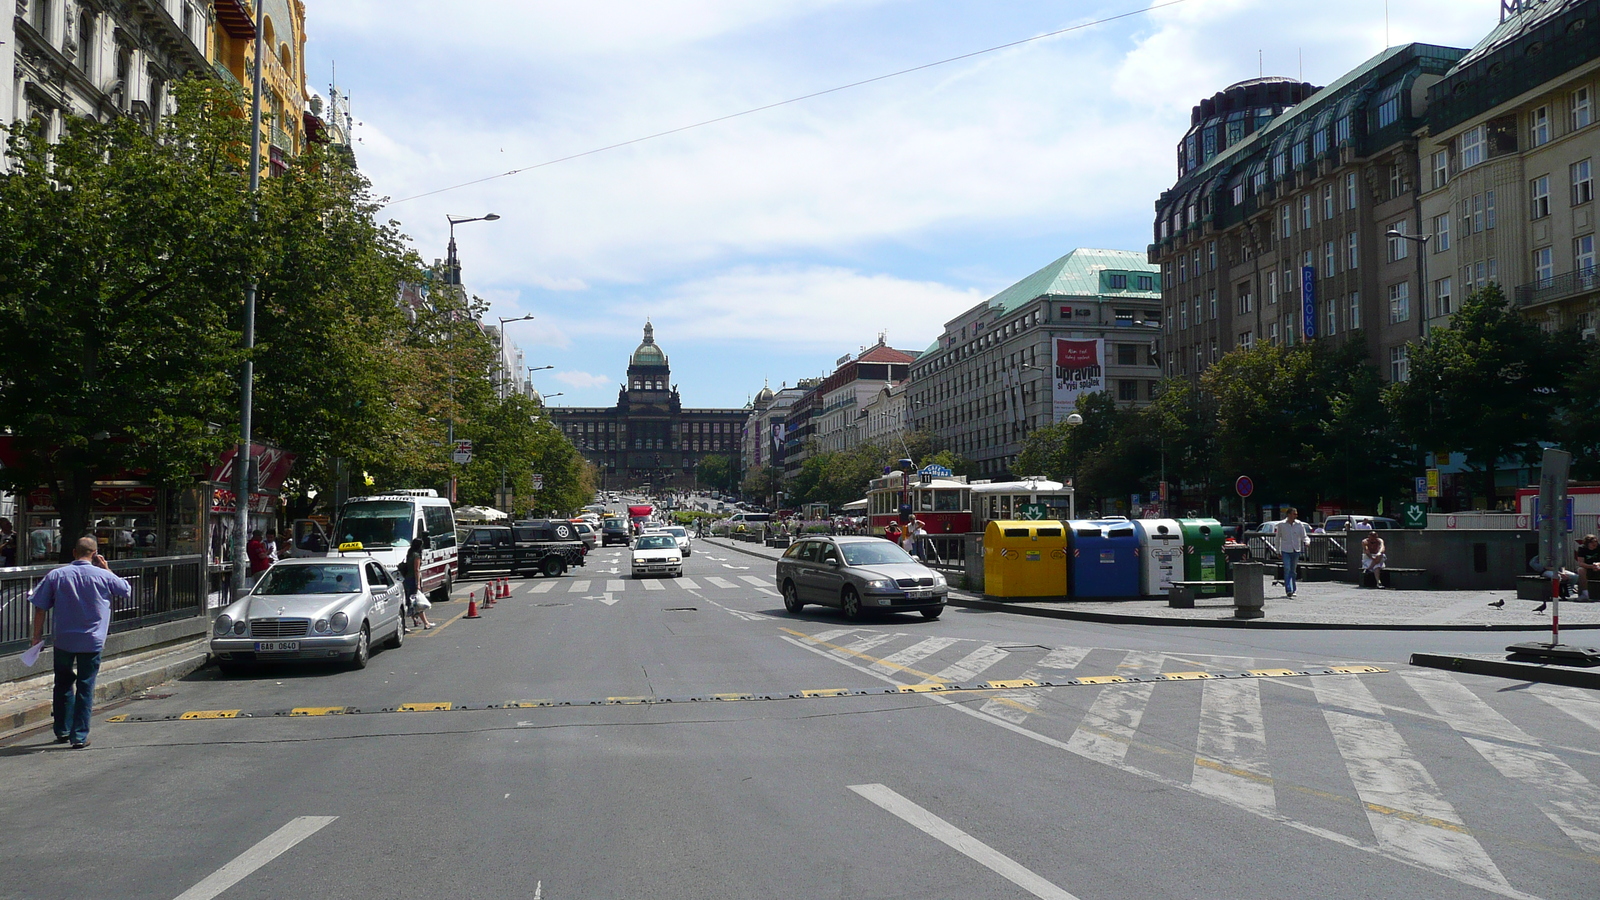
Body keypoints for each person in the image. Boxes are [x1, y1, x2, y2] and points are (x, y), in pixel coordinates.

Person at [28, 536, 131, 749]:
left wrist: (36, 637)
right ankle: (79, 735)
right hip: (92, 641)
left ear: (74, 552)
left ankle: (62, 730)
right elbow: (125, 590)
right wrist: (107, 568)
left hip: (64, 639)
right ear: (94, 554)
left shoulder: (56, 575)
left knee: (63, 683)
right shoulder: (103, 575)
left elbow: (40, 607)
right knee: (86, 686)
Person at [1273, 507, 1313, 598]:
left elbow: (1304, 536)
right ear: (1289, 514)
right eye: (1294, 514)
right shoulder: (1281, 525)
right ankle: (1288, 589)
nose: (1296, 515)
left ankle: (1293, 589)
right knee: (1287, 569)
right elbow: (1277, 538)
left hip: (1296, 550)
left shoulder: (1299, 524)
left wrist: (1307, 542)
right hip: (1285, 550)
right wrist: (1277, 551)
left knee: (1293, 571)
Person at [403, 538, 432, 630]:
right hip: (413, 580)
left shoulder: (410, 553)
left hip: (407, 579)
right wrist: (418, 583)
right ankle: (426, 623)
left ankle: (414, 620)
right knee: (417, 602)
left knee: (409, 602)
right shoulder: (416, 556)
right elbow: (417, 570)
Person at [1576, 534, 1599, 602]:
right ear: (1587, 543)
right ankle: (1585, 594)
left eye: (1596, 542)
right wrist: (1591, 566)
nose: (1594, 544)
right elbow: (1580, 563)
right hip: (1587, 567)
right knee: (1580, 570)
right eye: (1592, 542)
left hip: (1598, 566)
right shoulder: (1582, 549)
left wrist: (1597, 565)